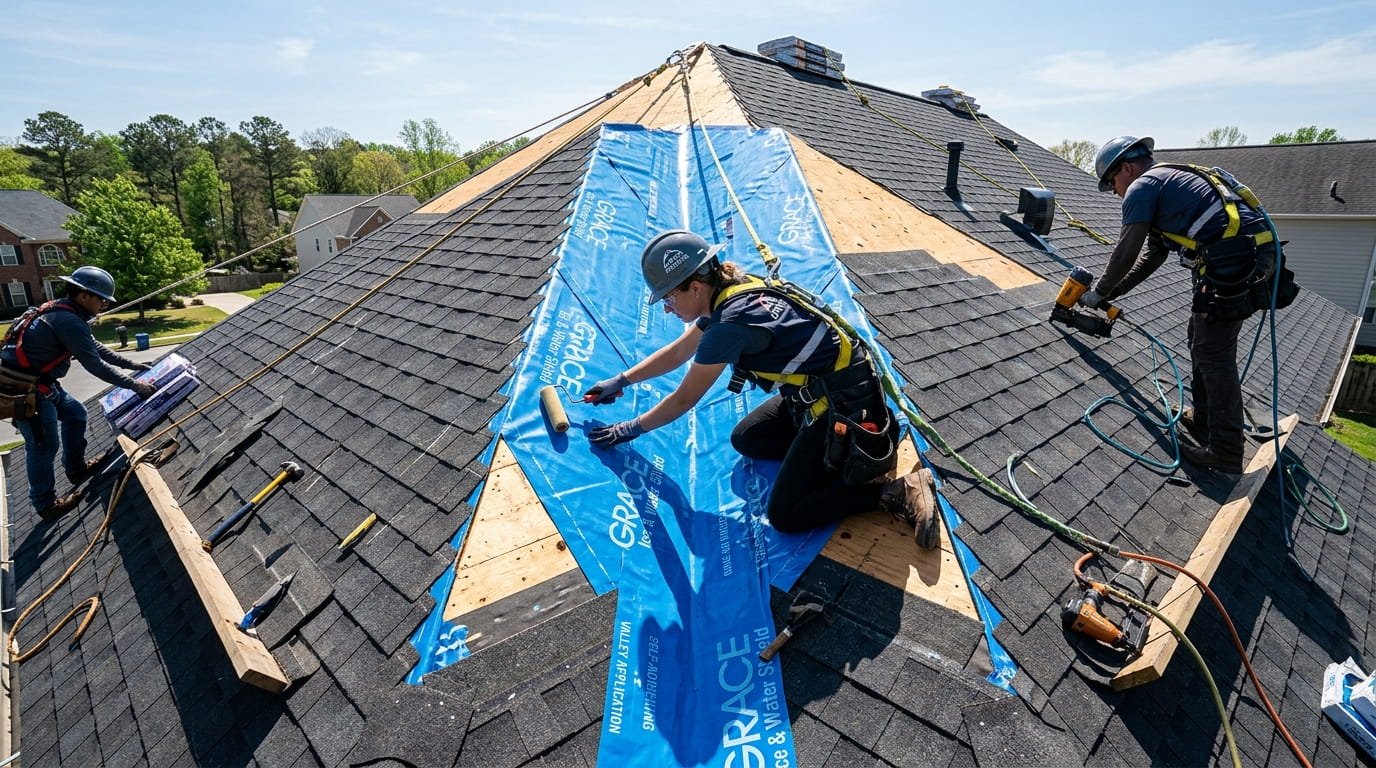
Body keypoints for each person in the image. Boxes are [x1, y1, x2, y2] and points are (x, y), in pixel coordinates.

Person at [583, 230, 942, 548]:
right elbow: (679, 351)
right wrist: (622, 380)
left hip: (842, 407)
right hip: (826, 393)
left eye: (669, 298)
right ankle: (829, 458)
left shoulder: (729, 326)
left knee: (787, 514)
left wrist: (628, 429)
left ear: (694, 286)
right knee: (748, 439)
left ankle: (895, 490)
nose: (667, 308)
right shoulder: (731, 291)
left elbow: (684, 398)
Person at [1080, 136, 1290, 475]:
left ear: (1127, 168)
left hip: (1235, 262)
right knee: (1200, 338)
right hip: (1247, 257)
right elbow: (1152, 256)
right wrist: (1111, 294)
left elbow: (1126, 251)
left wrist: (1098, 290)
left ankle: (1225, 450)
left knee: (1213, 353)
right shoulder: (1168, 181)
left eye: (1112, 184)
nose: (1116, 192)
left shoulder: (1142, 187)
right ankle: (1204, 420)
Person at [0, 266, 155, 520]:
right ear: (84, 295)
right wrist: (135, 386)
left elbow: (92, 346)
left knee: (75, 414)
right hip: (28, 390)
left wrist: (129, 364)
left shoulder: (63, 311)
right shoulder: (68, 320)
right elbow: (94, 364)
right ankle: (45, 504)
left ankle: (75, 468)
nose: (103, 304)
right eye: (101, 299)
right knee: (43, 447)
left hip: (43, 384)